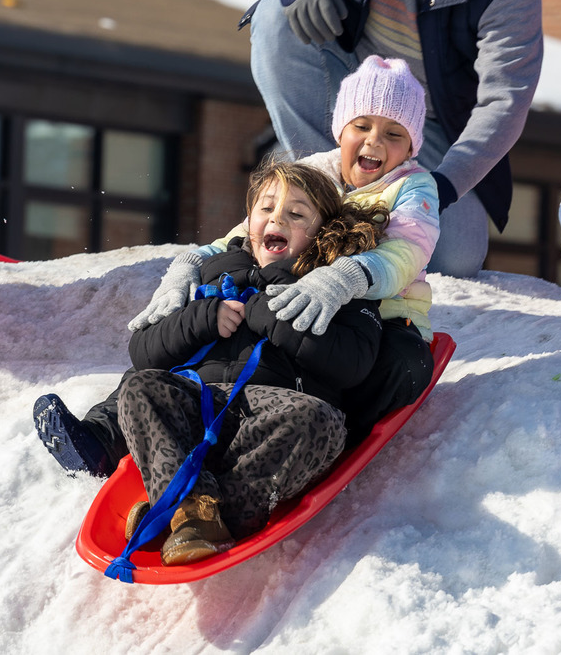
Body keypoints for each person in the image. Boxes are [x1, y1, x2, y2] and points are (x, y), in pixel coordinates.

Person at [35, 57, 440, 481]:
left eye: (393, 134)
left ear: (411, 147)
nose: (374, 142)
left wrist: (345, 278)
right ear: (341, 130)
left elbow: (408, 250)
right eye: (362, 126)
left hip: (377, 311)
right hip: (286, 297)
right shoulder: (311, 174)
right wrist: (187, 269)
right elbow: (243, 235)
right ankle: (101, 437)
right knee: (182, 346)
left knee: (398, 363)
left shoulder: (412, 186)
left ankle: (338, 440)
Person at [117, 160, 389, 565]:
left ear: (321, 232)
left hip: (277, 410)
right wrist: (201, 319)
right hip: (203, 404)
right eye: (266, 208)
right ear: (249, 222)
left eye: (296, 214)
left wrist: (269, 315)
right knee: (140, 388)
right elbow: (143, 353)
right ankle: (188, 509)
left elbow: (352, 364)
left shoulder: (338, 285)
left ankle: (195, 514)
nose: (277, 217)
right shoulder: (213, 274)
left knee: (318, 421)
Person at [237, 0, 543, 278]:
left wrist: (441, 188)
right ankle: (320, 200)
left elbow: (505, 99)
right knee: (274, 16)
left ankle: (368, 223)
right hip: (346, 92)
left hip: (432, 125)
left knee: (454, 261)